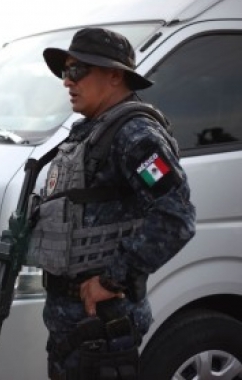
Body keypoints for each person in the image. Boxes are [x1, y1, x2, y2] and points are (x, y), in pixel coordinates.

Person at [32, 28, 196, 379]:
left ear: (114, 75)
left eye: (77, 71)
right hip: (74, 326)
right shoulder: (92, 130)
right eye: (65, 71)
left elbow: (176, 216)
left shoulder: (135, 135)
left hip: (103, 325)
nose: (67, 81)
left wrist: (111, 280)